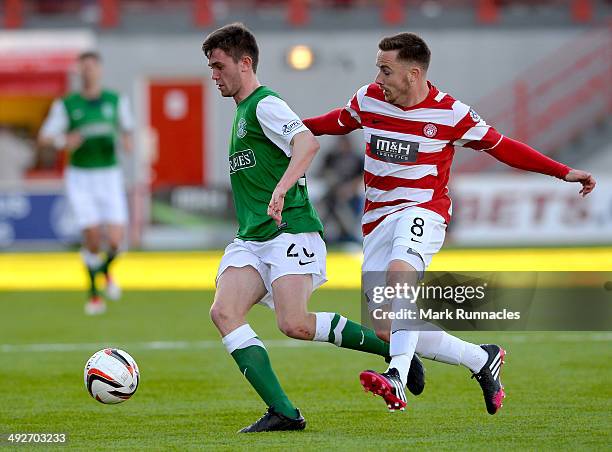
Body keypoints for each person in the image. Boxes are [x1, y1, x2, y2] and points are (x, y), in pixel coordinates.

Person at [303, 32, 596, 414]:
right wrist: (284, 129)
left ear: (413, 73)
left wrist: (562, 172)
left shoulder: (450, 113)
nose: (378, 78)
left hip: (423, 210)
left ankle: (396, 375)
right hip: (376, 221)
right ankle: (481, 358)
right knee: (385, 328)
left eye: (385, 70)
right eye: (377, 69)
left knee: (400, 276)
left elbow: (504, 146)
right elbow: (333, 122)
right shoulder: (368, 99)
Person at [202, 23, 424, 433]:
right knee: (224, 312)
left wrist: (282, 190)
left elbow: (307, 143)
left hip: (290, 229)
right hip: (252, 237)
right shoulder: (242, 113)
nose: (213, 75)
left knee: (295, 323)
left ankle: (393, 350)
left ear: (244, 63)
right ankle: (284, 412)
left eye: (218, 66)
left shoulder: (265, 104)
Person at [38, 51, 134, 315]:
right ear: (78, 72)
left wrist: (128, 141)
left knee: (115, 240)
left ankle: (104, 272)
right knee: (92, 237)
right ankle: (93, 294)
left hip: (109, 174)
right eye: (84, 68)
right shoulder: (67, 105)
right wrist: (62, 141)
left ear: (100, 70)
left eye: (92, 67)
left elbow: (127, 130)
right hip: (81, 176)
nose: (88, 72)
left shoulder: (115, 101)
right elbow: (45, 137)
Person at [317, 135, 364, 243]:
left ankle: (349, 237)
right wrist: (332, 182)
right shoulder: (331, 156)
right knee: (325, 210)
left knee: (346, 217)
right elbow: (322, 172)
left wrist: (349, 189)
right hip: (332, 193)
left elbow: (361, 176)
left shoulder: (356, 158)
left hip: (350, 195)